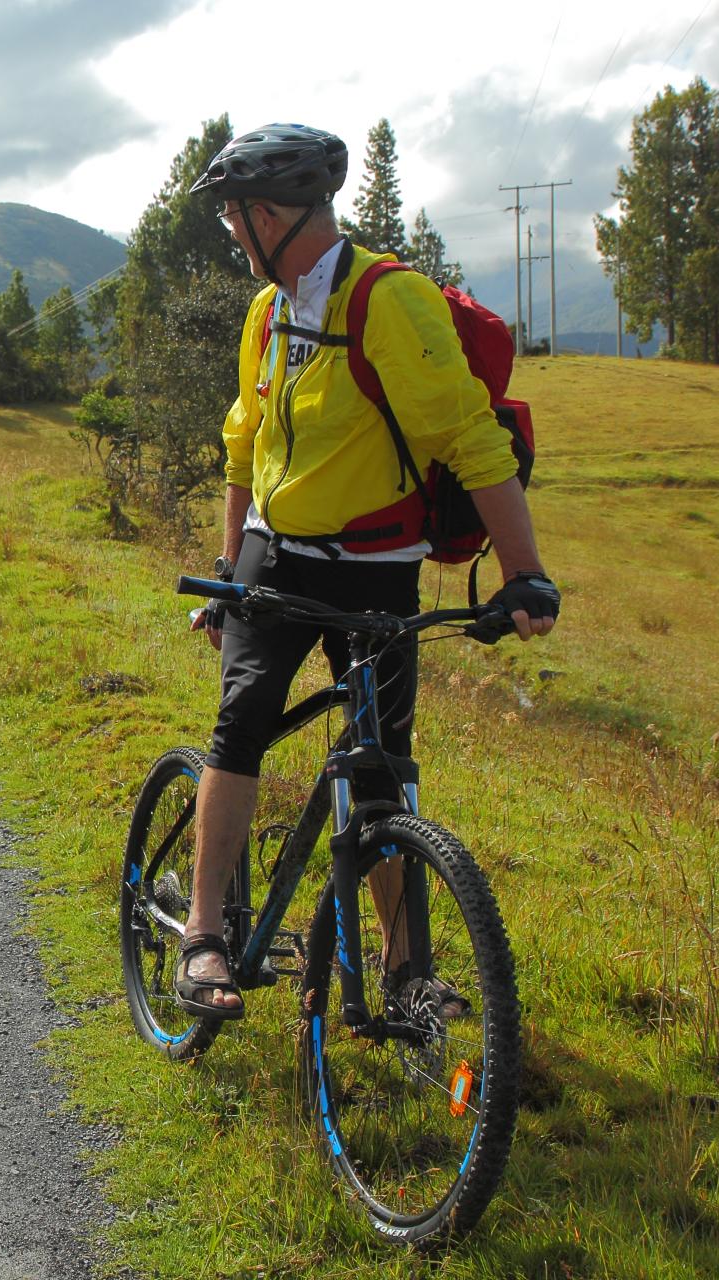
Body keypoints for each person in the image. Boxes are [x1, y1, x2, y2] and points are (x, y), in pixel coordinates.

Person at [168, 123, 561, 1020]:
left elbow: (471, 438)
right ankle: (201, 936)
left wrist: (525, 571)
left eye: (235, 217)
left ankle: (403, 970)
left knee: (381, 769)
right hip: (277, 553)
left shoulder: (389, 300)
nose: (232, 233)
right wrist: (230, 568)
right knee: (244, 723)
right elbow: (245, 444)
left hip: (378, 568)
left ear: (271, 214)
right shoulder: (266, 314)